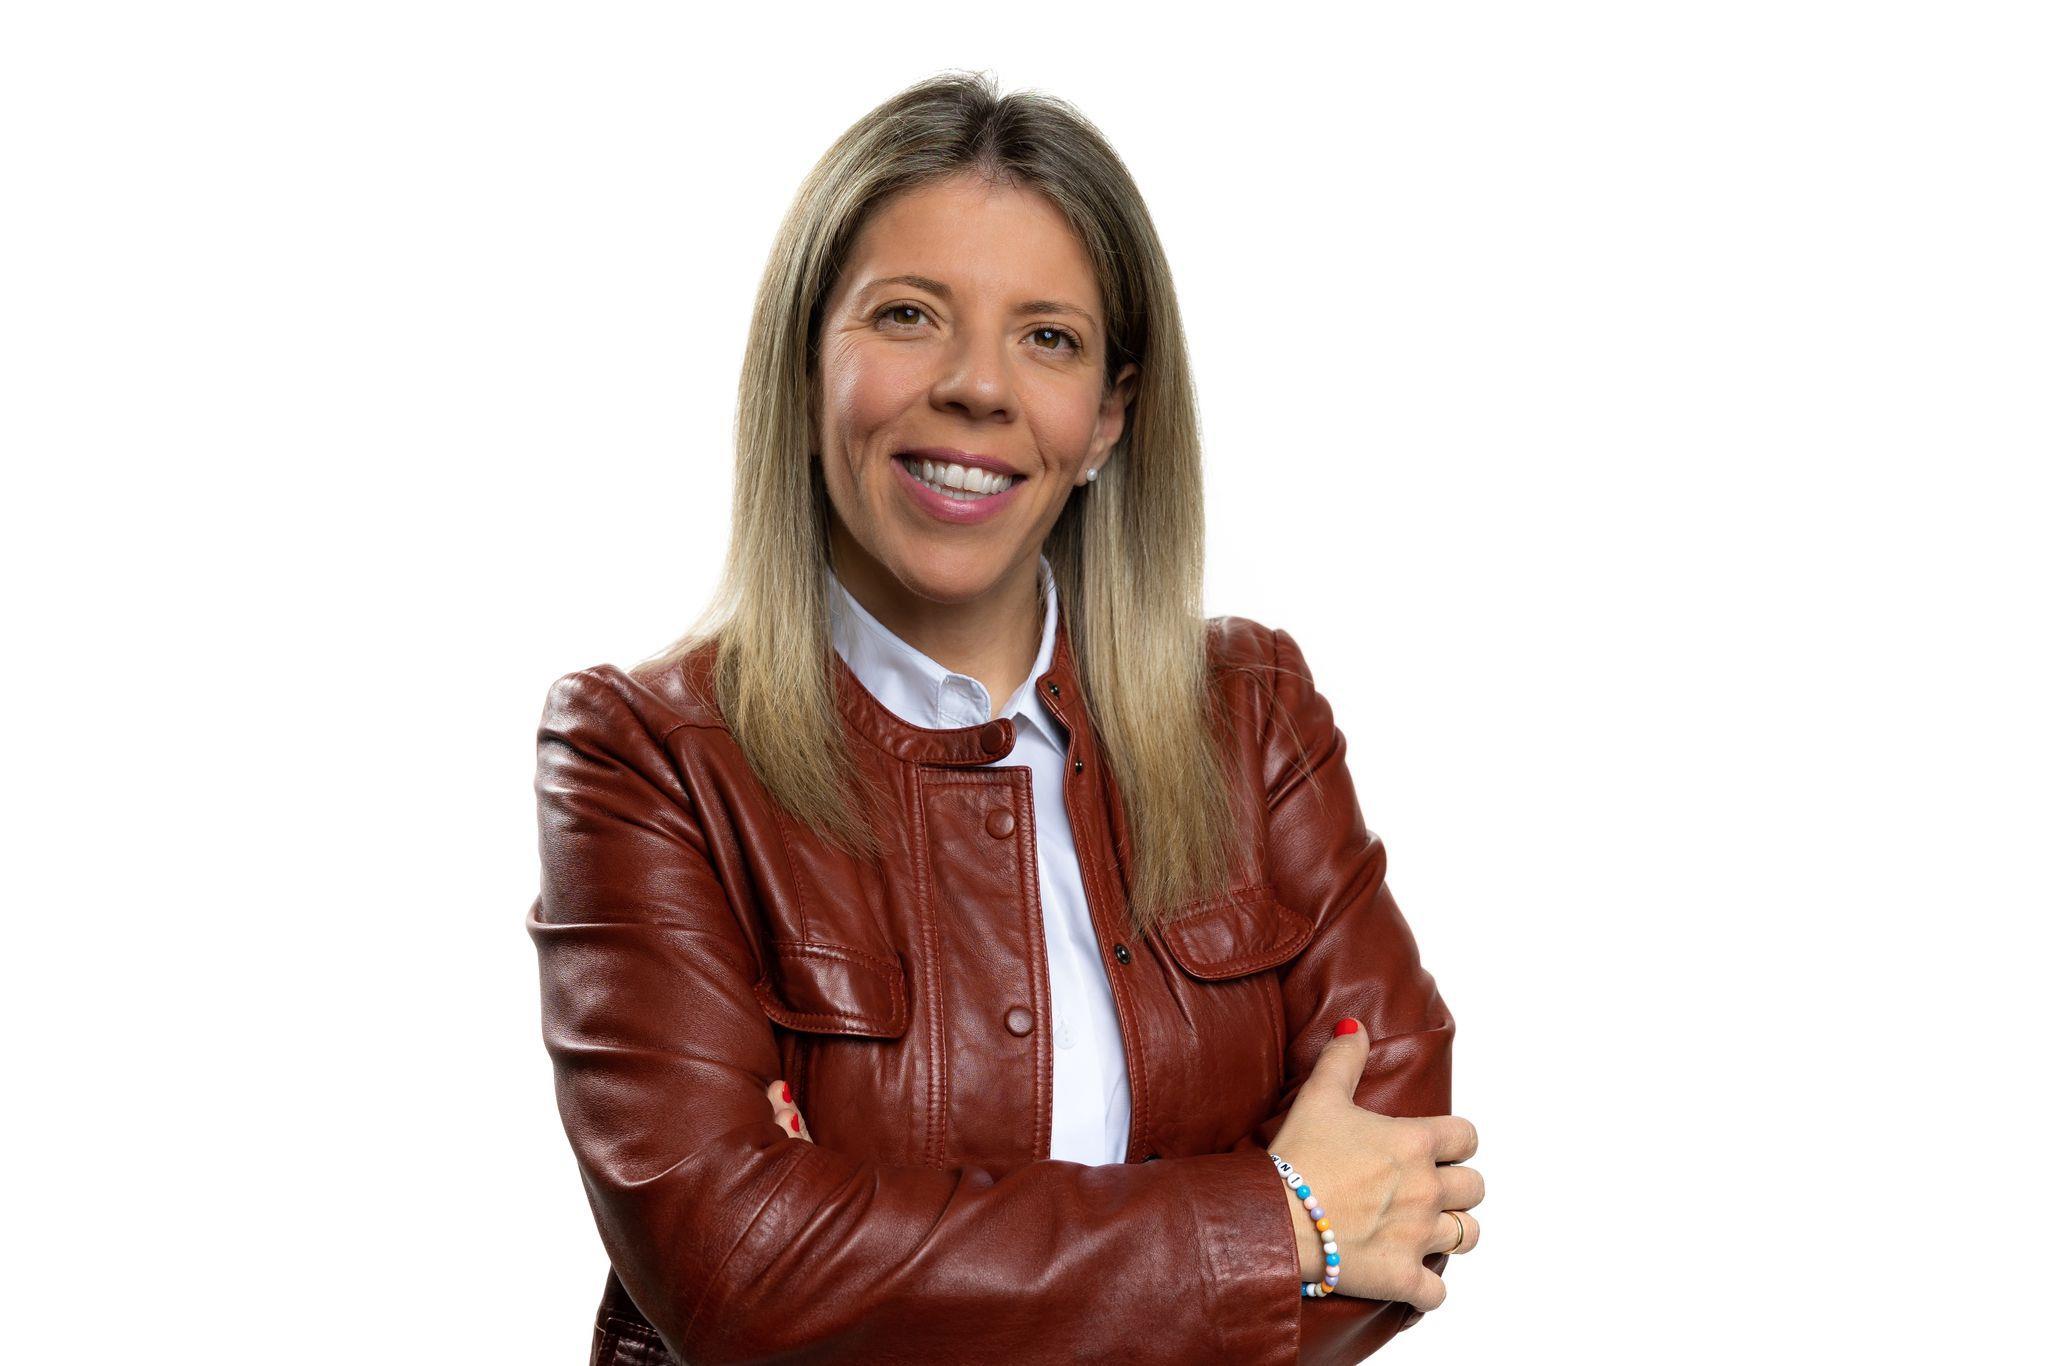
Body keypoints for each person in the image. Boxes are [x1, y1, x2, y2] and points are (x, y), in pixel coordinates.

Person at [526, 70, 1482, 1366]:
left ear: (1110, 418)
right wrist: (1277, 1220)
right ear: (806, 368)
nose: (980, 387)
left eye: (1049, 338)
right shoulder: (643, 756)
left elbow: (1402, 1192)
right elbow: (736, 1267)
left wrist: (869, 1254)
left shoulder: (1254, 715)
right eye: (909, 315)